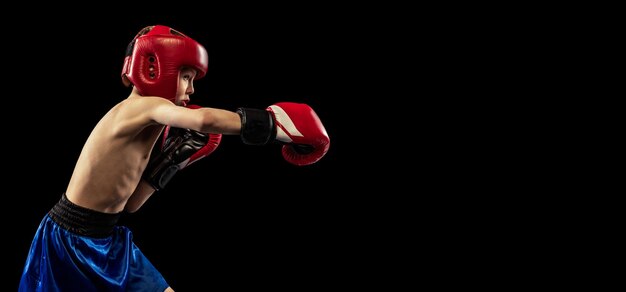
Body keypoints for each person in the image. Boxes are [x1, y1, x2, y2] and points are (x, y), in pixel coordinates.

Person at [18, 24, 330, 292]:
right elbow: (204, 120)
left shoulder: (151, 121)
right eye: (186, 76)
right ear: (154, 68)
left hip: (108, 238)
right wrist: (273, 124)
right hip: (69, 241)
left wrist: (171, 163)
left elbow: (129, 205)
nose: (192, 89)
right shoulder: (141, 107)